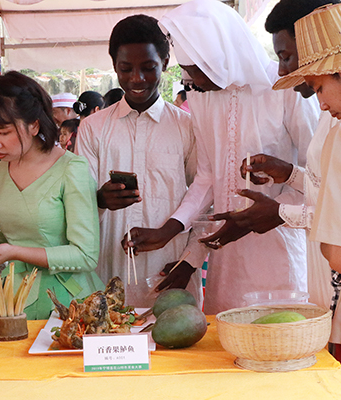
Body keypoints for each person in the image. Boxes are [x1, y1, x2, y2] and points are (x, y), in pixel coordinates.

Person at [132, 0, 319, 314]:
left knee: (279, 337)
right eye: (189, 74)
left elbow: (317, 175)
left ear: (222, 57)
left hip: (280, 248)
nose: (195, 83)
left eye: (200, 72)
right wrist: (178, 235)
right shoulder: (202, 96)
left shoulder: (286, 86)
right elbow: (210, 178)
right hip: (225, 256)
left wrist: (277, 211)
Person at [207, 0, 339, 311]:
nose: (281, 71)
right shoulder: (330, 114)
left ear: (316, 48)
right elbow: (327, 186)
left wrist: (280, 213)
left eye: (286, 57)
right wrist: (288, 173)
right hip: (328, 283)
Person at [75, 14, 200, 307]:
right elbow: (77, 204)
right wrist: (100, 199)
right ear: (114, 66)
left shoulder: (187, 127)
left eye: (148, 68)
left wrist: (190, 262)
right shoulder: (93, 128)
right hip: (107, 275)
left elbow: (203, 201)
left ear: (166, 63)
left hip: (170, 273)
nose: (137, 78)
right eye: (126, 68)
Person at [0, 71, 103, 320]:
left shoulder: (71, 168)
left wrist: (15, 252)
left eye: (4, 131)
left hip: (68, 303)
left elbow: (85, 255)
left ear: (34, 125)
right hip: (12, 304)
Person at [273, 1, 341, 373]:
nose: (320, 102)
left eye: (320, 87)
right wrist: (289, 174)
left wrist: (278, 213)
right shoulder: (338, 121)